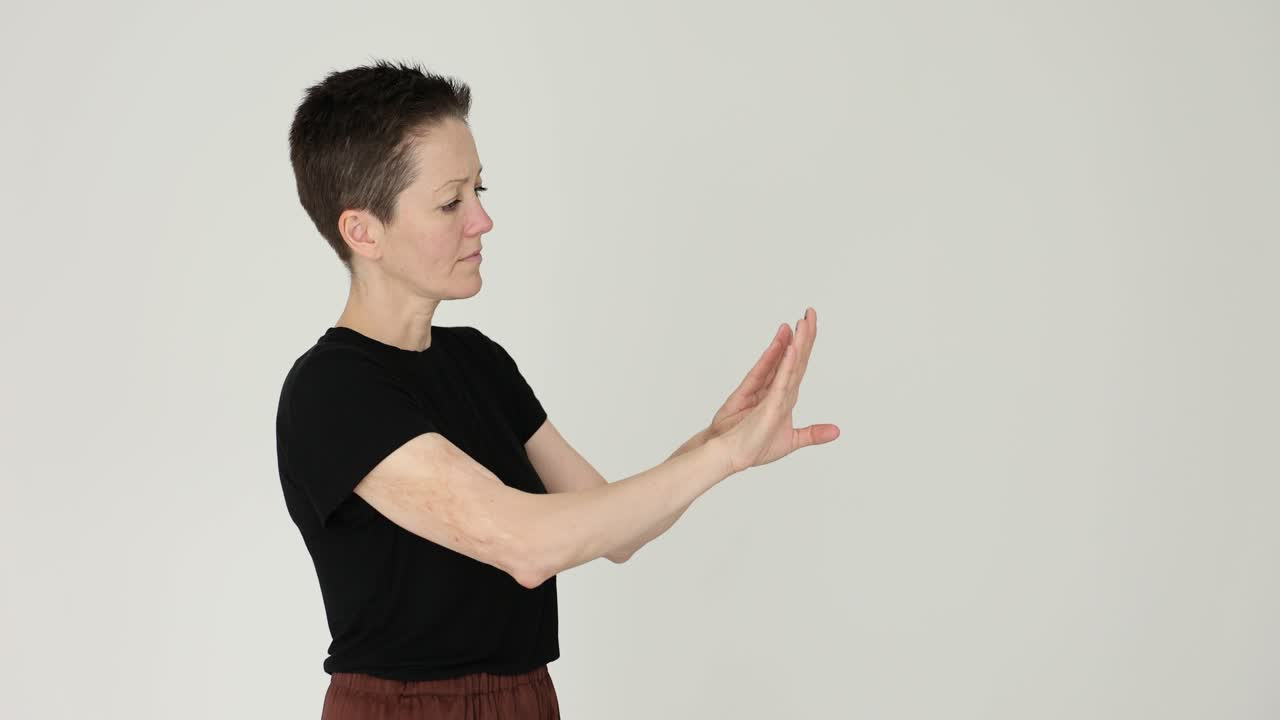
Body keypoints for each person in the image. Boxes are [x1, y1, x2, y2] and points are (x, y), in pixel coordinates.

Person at [275, 59, 840, 720]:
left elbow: (611, 527)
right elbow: (528, 545)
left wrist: (715, 442)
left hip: (527, 699)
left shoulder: (478, 361)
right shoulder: (332, 391)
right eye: (451, 201)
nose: (481, 220)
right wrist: (724, 456)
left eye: (481, 190)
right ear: (361, 230)